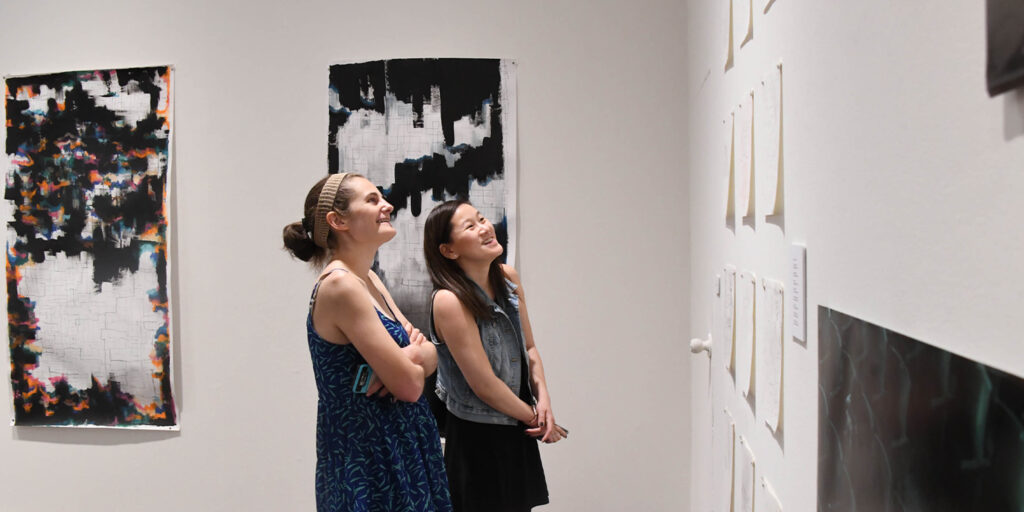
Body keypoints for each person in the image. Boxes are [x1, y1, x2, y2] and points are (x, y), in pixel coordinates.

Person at [282, 173, 452, 512]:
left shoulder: (368, 279)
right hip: (370, 458)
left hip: (404, 445)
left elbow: (432, 354)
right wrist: (408, 364)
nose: (387, 205)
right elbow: (410, 385)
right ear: (338, 220)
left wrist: (412, 358)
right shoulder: (340, 286)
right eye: (372, 200)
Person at [422, 200, 564, 512]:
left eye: (482, 218)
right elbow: (483, 383)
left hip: (517, 421)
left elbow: (529, 348)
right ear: (448, 250)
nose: (485, 228)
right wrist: (535, 418)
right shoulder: (449, 300)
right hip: (478, 435)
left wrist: (544, 404)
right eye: (470, 226)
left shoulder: (508, 277)